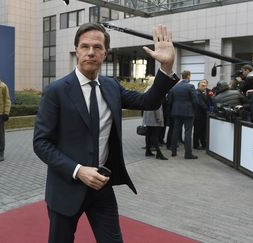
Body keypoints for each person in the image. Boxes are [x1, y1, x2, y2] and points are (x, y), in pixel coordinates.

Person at [33, 23, 179, 243]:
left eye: (97, 47)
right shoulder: (56, 91)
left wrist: (166, 68)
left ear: (105, 53)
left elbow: (148, 102)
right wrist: (78, 170)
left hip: (101, 186)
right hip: (66, 188)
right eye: (85, 46)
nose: (91, 52)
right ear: (76, 50)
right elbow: (41, 143)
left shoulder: (111, 86)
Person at [169, 70, 199, 159]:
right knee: (188, 132)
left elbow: (170, 101)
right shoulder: (190, 86)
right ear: (188, 76)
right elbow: (195, 101)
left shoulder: (175, 87)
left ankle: (173, 152)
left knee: (175, 131)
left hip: (176, 112)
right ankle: (188, 154)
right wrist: (194, 110)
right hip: (188, 112)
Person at [143, 81, 168, 160]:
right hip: (154, 117)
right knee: (155, 135)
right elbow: (157, 105)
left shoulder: (146, 90)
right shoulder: (156, 91)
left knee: (148, 134)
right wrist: (159, 118)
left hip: (147, 116)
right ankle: (159, 153)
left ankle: (148, 151)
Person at [193, 81, 209, 150]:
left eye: (205, 86)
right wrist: (208, 109)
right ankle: (196, 145)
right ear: (199, 86)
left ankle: (203, 144)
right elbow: (201, 104)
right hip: (198, 115)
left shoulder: (200, 93)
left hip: (200, 115)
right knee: (198, 131)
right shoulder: (198, 93)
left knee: (201, 131)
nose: (204, 87)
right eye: (202, 86)